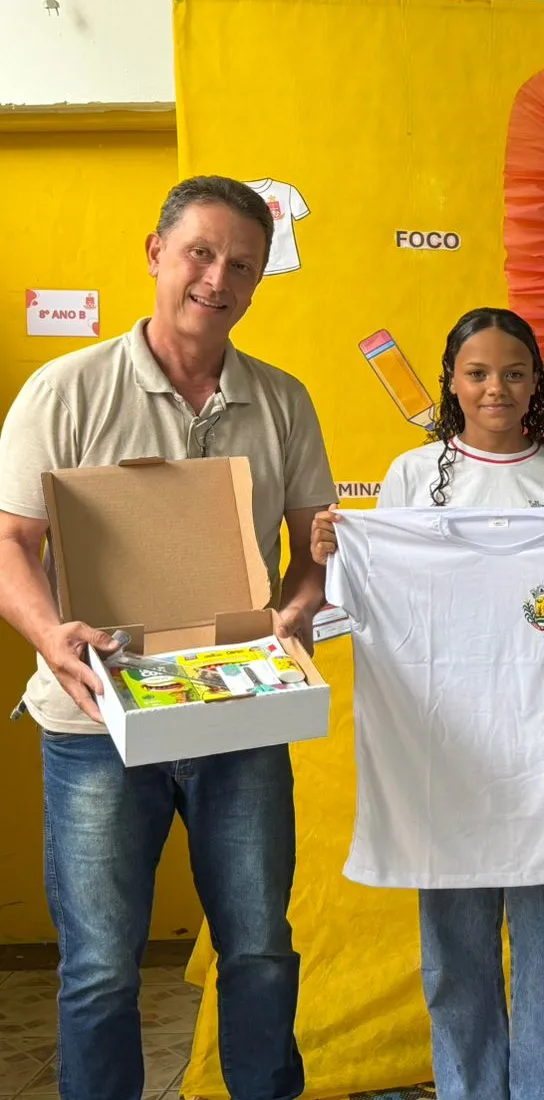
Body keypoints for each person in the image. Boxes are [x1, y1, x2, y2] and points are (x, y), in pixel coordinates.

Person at [0, 176, 336, 1100]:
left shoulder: (283, 401)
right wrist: (49, 633)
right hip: (95, 717)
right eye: (200, 252)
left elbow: (313, 548)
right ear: (155, 253)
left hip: (241, 708)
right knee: (103, 966)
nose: (217, 276)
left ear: (260, 280)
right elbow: (9, 546)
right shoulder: (63, 391)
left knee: (260, 947)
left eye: (242, 263)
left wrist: (301, 606)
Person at [310, 307, 544, 1100]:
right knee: (455, 960)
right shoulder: (411, 473)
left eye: (513, 372)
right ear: (452, 381)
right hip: (443, 757)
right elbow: (371, 603)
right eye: (477, 372)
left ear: (536, 381)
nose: (495, 387)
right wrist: (342, 551)